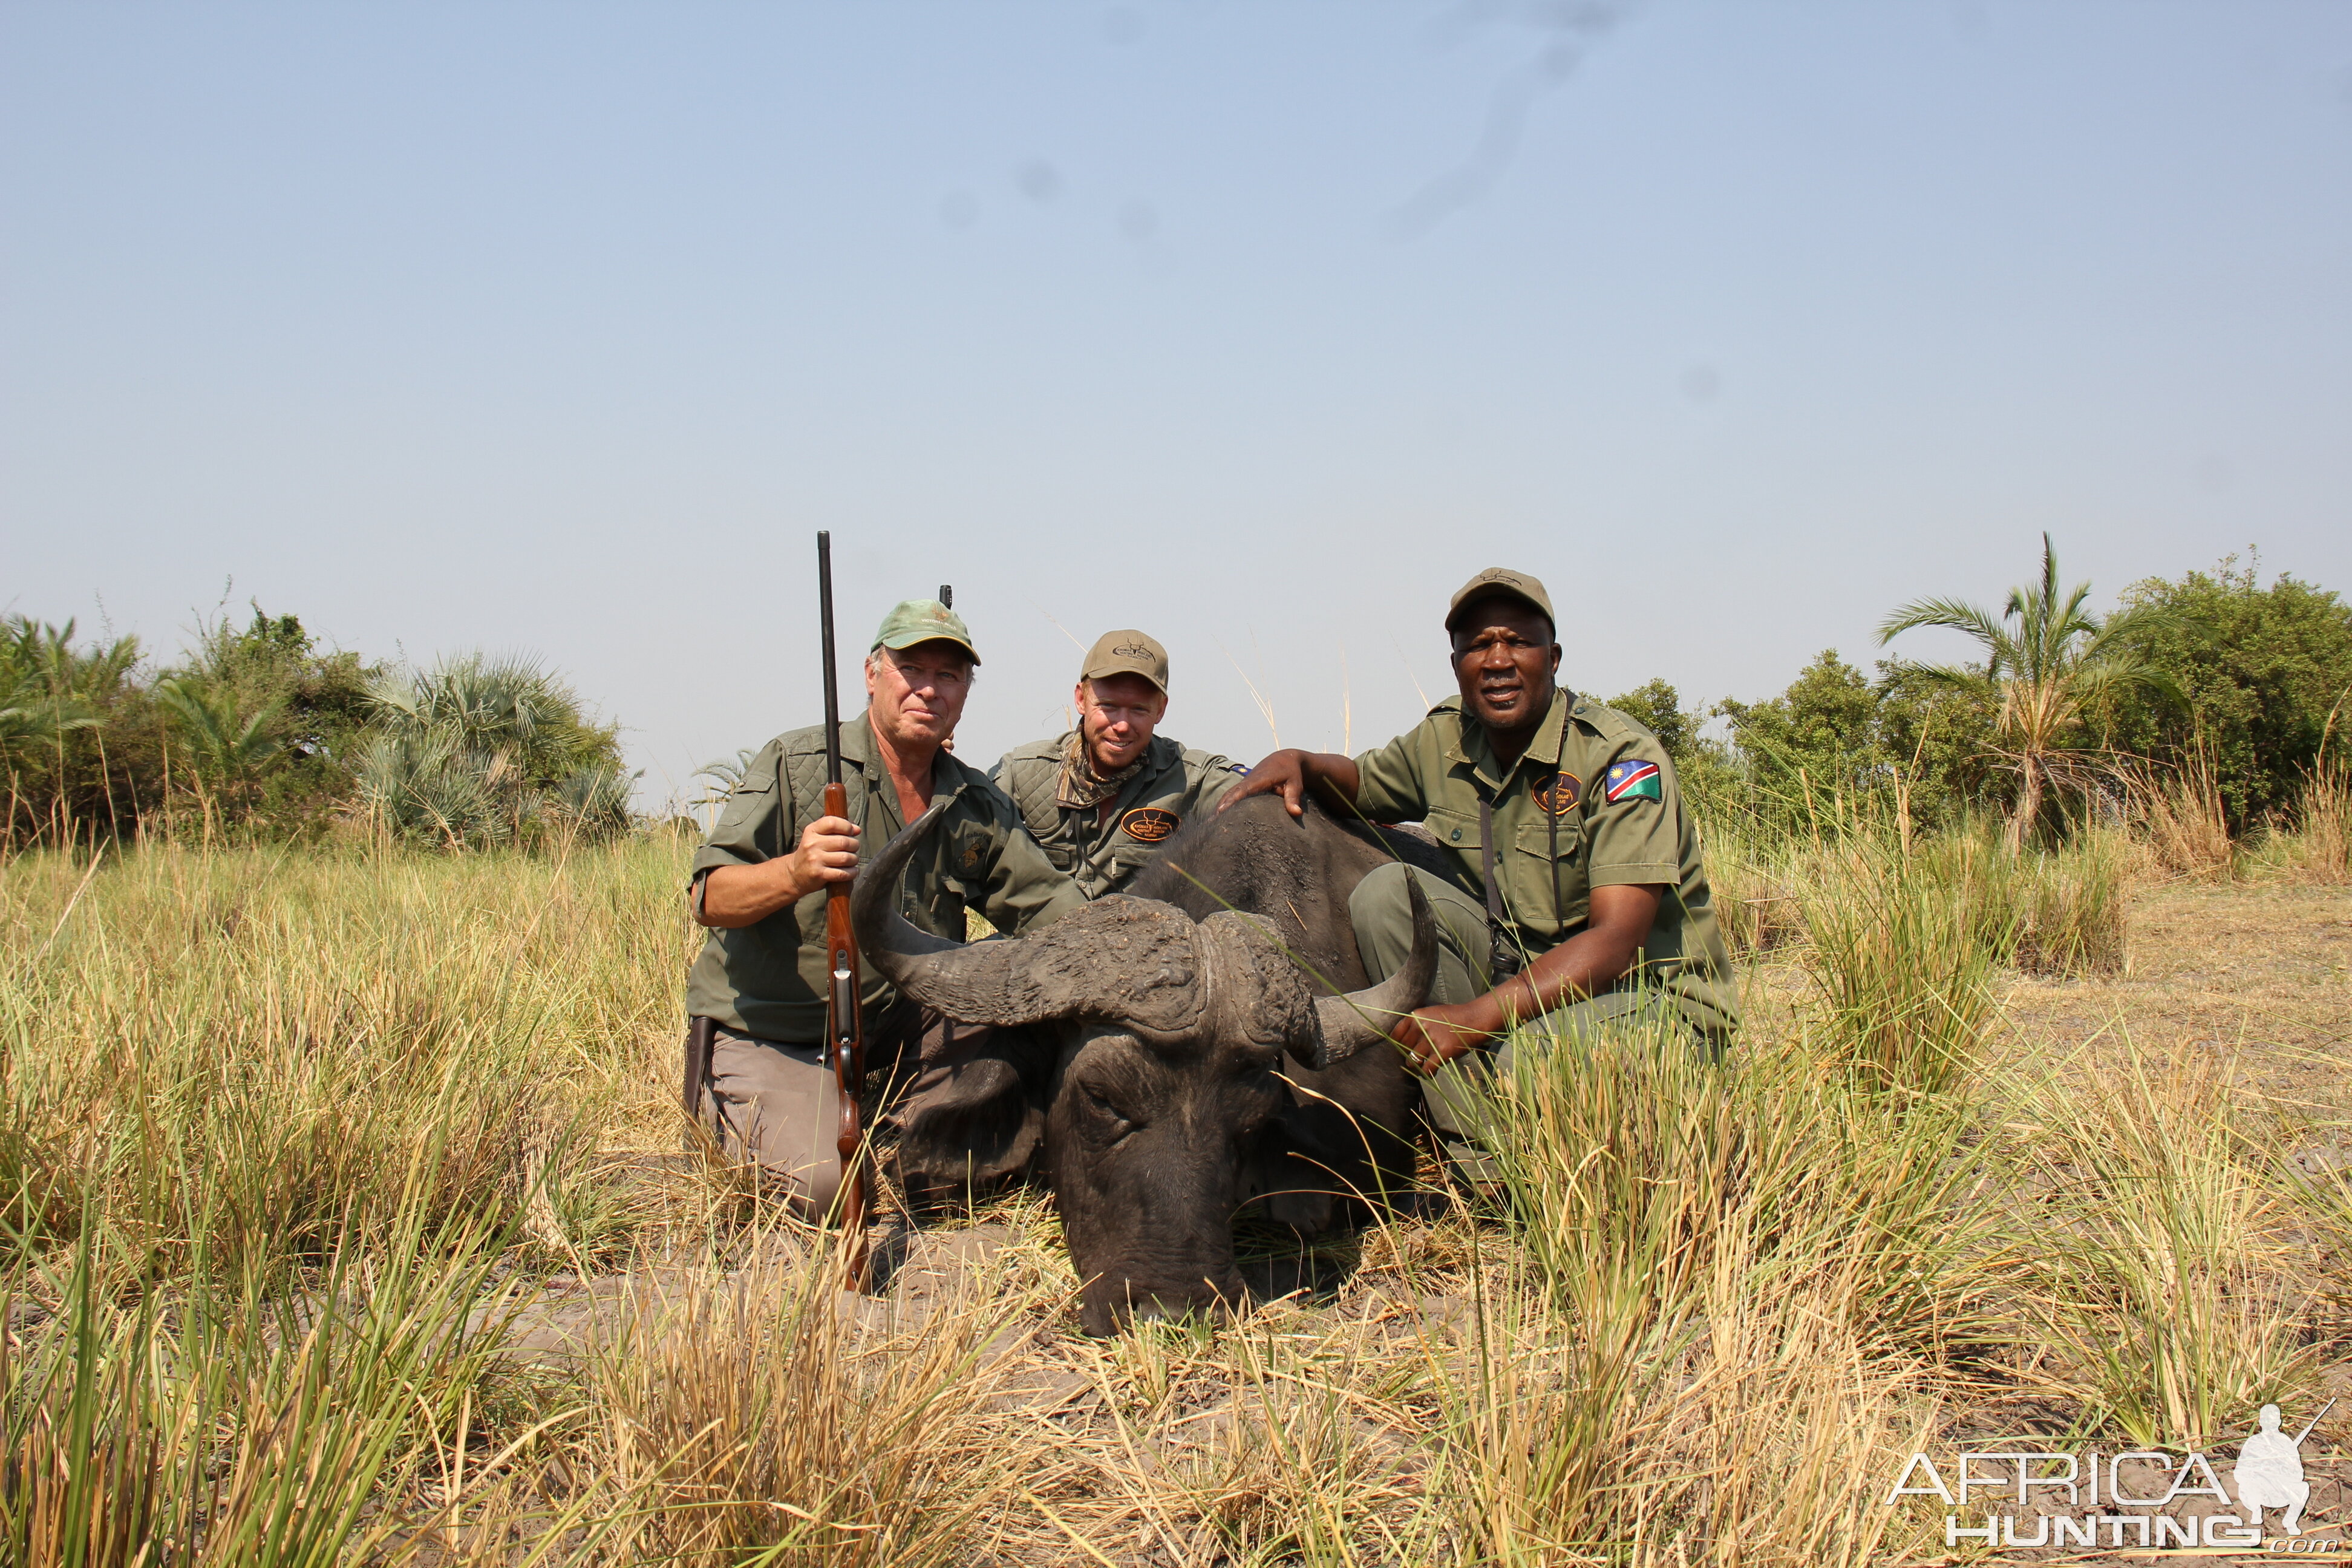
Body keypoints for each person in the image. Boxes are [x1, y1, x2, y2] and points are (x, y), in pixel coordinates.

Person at [1222, 567, 1736, 1160]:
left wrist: (1475, 1017)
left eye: (1518, 641)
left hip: (1646, 998)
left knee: (1528, 1058)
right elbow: (1363, 785)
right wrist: (1303, 762)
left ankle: (1569, 1162)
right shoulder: (1449, 735)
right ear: (1458, 664)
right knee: (1391, 893)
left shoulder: (1620, 759)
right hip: (1524, 986)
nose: (1497, 660)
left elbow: (1617, 941)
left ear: (1554, 657)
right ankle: (1478, 1157)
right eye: (1478, 646)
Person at [683, 597, 1086, 1218]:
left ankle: (905, 1132)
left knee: (1025, 996)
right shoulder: (797, 764)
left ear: (965, 692)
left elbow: (1059, 918)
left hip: (899, 1031)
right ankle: (736, 1106)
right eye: (911, 668)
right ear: (873, 674)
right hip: (777, 1033)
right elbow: (709, 898)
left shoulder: (973, 800)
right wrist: (796, 872)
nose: (928, 688)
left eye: (948, 675)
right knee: (831, 1193)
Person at [990, 630, 1245, 899]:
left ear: (1161, 709)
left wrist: (1288, 761)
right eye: (1108, 706)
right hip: (1036, 939)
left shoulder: (1189, 778)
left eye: (1139, 710)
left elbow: (1261, 791)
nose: (1122, 726)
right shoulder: (1022, 776)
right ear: (1080, 699)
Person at [2232, 1404, 2310, 1536]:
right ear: (2261, 1422)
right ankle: (2256, 1513)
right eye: (2267, 1420)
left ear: (2279, 1422)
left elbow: (2298, 1474)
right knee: (2249, 1486)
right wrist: (2259, 1471)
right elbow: (2240, 1471)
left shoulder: (2286, 1443)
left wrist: (2283, 1469)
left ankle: (2290, 1521)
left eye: (2273, 1421)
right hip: (2258, 1488)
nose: (2270, 1424)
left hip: (2280, 1489)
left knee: (2303, 1488)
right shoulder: (2254, 1442)